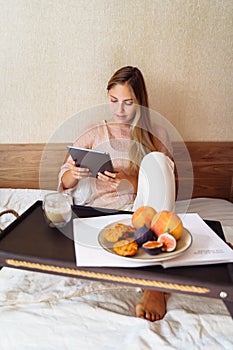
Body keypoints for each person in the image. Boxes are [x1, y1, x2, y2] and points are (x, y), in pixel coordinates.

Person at [58, 66, 175, 321]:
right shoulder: (93, 132)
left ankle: (154, 284)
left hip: (142, 214)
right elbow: (64, 179)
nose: (120, 110)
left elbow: (166, 183)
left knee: (159, 162)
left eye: (128, 103)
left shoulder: (157, 134)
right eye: (114, 101)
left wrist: (131, 181)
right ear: (107, 97)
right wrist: (74, 174)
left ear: (140, 102)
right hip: (99, 214)